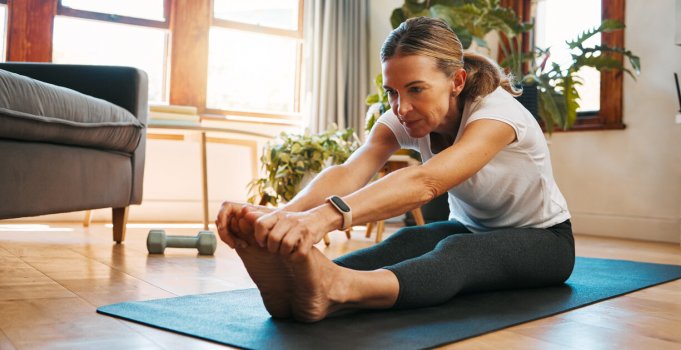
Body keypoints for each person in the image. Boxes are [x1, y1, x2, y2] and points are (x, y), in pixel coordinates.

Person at [216, 16, 574, 323]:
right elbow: (351, 170)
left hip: (546, 241)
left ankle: (339, 288)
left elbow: (427, 182)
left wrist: (320, 220)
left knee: (457, 253)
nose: (402, 108)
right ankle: (300, 285)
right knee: (407, 240)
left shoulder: (498, 115)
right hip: (470, 228)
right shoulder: (406, 115)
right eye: (392, 92)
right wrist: (281, 217)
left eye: (416, 89)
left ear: (457, 81)